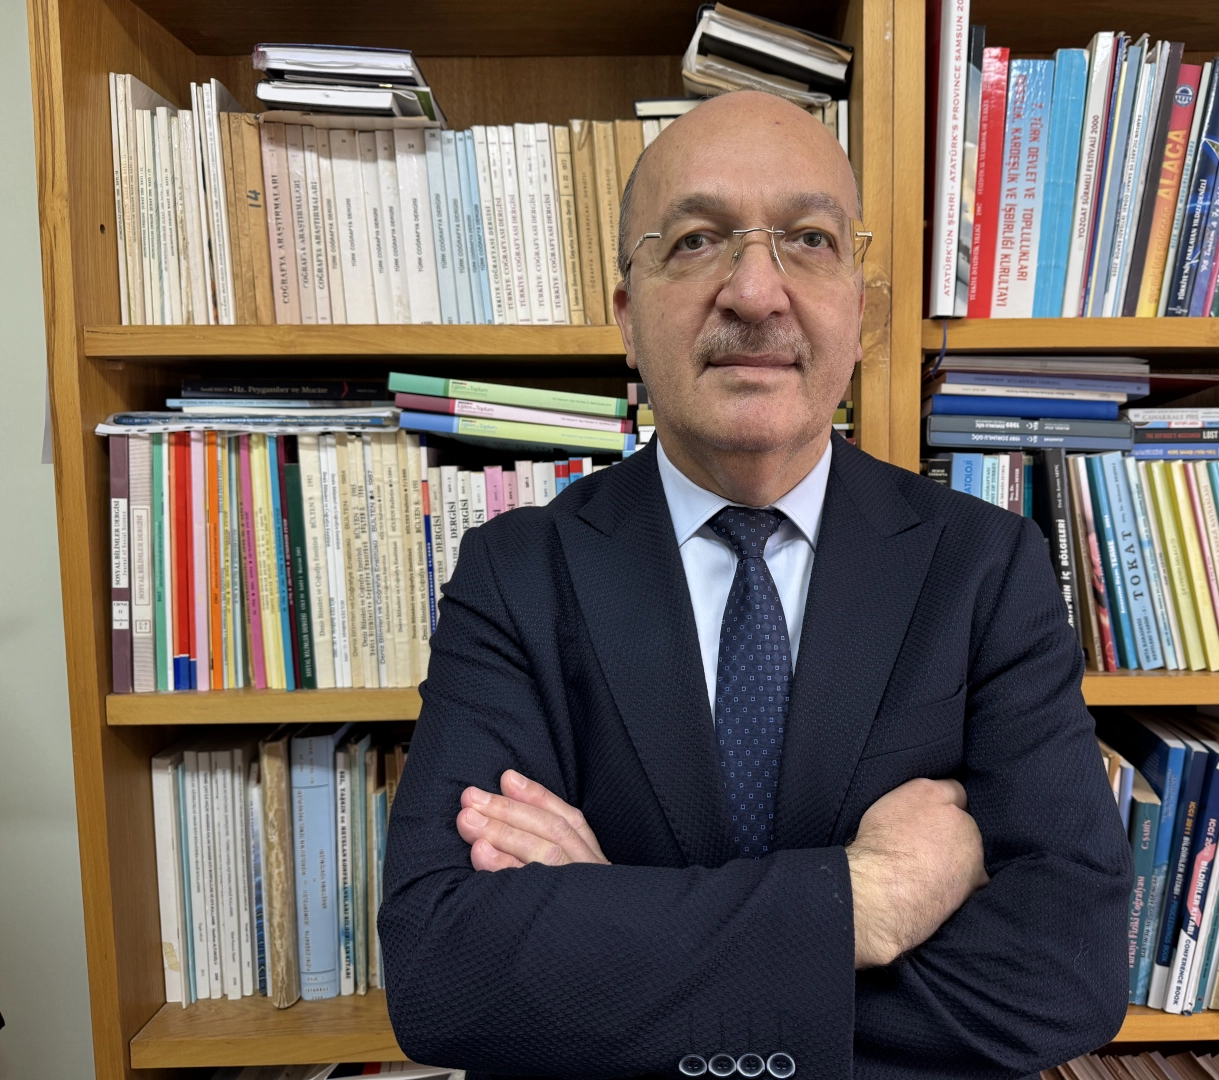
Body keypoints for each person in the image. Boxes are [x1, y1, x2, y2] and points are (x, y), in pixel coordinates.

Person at [379, 90, 1130, 1079]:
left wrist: (615, 939)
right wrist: (863, 903)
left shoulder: (985, 567)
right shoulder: (517, 573)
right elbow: (444, 970)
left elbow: (1067, 971)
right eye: (696, 241)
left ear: (861, 309)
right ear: (627, 318)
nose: (755, 291)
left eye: (809, 240)